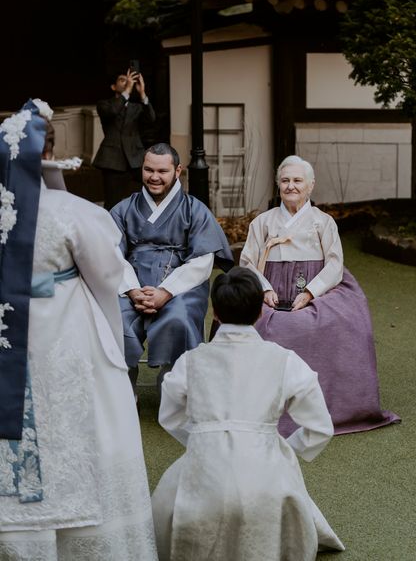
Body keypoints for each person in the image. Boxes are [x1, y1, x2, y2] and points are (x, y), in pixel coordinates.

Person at [0, 99, 158, 561]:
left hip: (8, 330)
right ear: (51, 151)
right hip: (64, 327)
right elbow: (108, 275)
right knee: (81, 417)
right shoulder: (76, 212)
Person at [151, 266, 345, 561]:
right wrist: (282, 450)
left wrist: (204, 438)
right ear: (259, 313)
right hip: (266, 482)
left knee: (168, 511)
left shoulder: (190, 362)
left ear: (214, 312)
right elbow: (320, 428)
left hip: (202, 479)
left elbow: (170, 416)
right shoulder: (286, 362)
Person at [240, 154, 400, 437]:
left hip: (315, 287)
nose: (291, 186)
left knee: (342, 322)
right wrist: (264, 287)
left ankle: (331, 406)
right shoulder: (263, 222)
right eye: (285, 180)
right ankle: (259, 408)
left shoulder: (323, 222)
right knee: (258, 324)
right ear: (278, 185)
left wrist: (311, 293)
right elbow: (247, 263)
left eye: (297, 180)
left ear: (311, 185)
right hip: (271, 290)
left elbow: (335, 264)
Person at [110, 142, 234, 395]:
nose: (154, 177)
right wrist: (133, 291)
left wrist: (165, 292)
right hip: (130, 285)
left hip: (180, 289)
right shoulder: (123, 209)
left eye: (162, 171)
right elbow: (111, 253)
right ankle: (123, 391)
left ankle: (172, 389)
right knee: (114, 320)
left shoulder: (194, 209)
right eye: (148, 170)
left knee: (178, 319)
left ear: (178, 171)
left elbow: (202, 261)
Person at [93, 68, 156, 210]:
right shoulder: (104, 104)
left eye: (129, 80)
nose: (128, 82)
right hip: (112, 161)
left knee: (152, 195)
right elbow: (113, 112)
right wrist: (127, 90)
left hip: (136, 160)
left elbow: (151, 119)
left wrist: (142, 93)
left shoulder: (136, 107)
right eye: (122, 80)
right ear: (113, 87)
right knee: (112, 203)